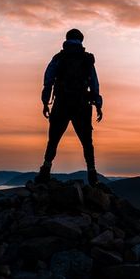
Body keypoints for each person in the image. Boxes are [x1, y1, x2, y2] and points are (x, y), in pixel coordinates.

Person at [35, 28, 104, 185]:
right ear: (81, 40)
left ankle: (45, 170)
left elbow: (48, 80)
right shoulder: (87, 59)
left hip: (62, 103)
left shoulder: (59, 58)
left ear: (67, 39)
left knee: (53, 139)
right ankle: (92, 175)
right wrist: (98, 104)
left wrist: (45, 102)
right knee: (87, 141)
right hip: (82, 105)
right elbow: (94, 83)